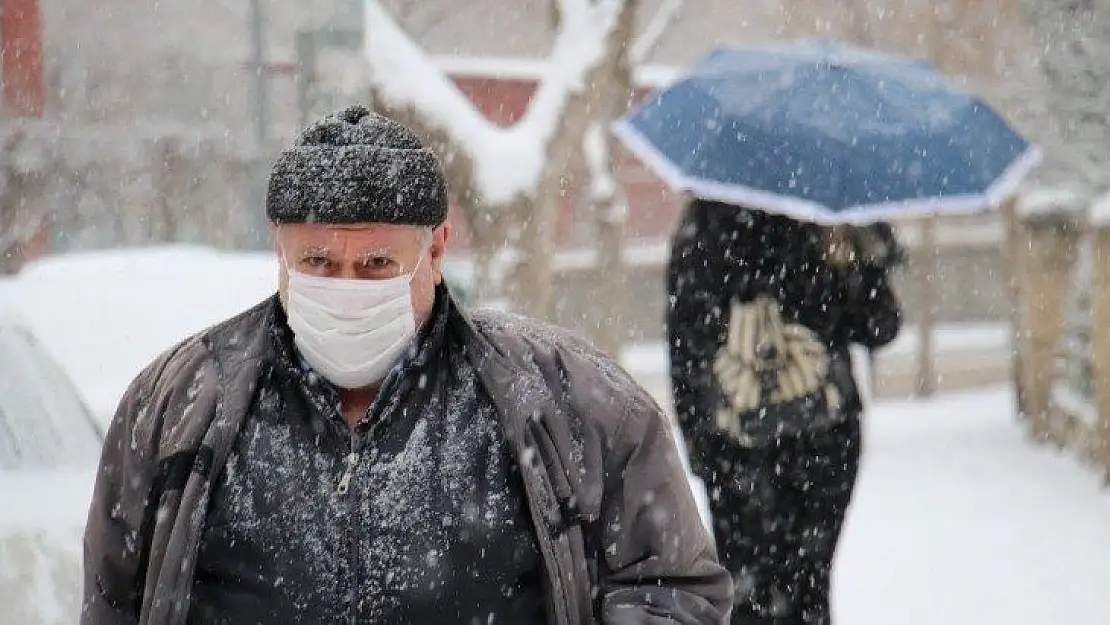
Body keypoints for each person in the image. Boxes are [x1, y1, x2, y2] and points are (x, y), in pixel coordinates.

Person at [82, 106, 732, 625]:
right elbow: (114, 598)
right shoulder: (179, 406)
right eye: (317, 263)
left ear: (437, 248)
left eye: (375, 265)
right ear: (279, 250)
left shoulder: (569, 400)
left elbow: (671, 582)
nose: (346, 287)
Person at [667, 199, 903, 625]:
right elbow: (879, 324)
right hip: (807, 443)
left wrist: (700, 446)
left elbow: (685, 347)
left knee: (761, 594)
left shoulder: (704, 224)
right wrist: (850, 262)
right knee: (801, 593)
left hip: (751, 447)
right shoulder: (826, 208)